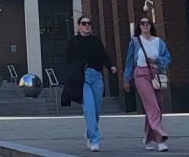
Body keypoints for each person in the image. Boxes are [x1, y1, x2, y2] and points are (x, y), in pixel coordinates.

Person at [65, 16, 116, 152]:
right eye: (84, 23)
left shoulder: (95, 41)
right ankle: (94, 139)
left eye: (89, 23)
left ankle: (89, 132)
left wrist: (110, 66)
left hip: (97, 76)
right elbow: (68, 58)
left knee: (97, 109)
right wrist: (76, 69)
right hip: (83, 77)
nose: (87, 25)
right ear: (79, 26)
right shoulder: (73, 41)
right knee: (89, 107)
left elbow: (103, 55)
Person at [123, 17, 172, 151]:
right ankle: (160, 137)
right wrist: (126, 79)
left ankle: (148, 137)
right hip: (141, 75)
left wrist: (157, 60)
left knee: (157, 106)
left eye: (148, 23)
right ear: (139, 26)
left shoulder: (159, 42)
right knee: (152, 104)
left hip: (156, 74)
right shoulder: (135, 41)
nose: (145, 25)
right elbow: (129, 61)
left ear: (151, 25)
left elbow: (168, 58)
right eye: (142, 23)